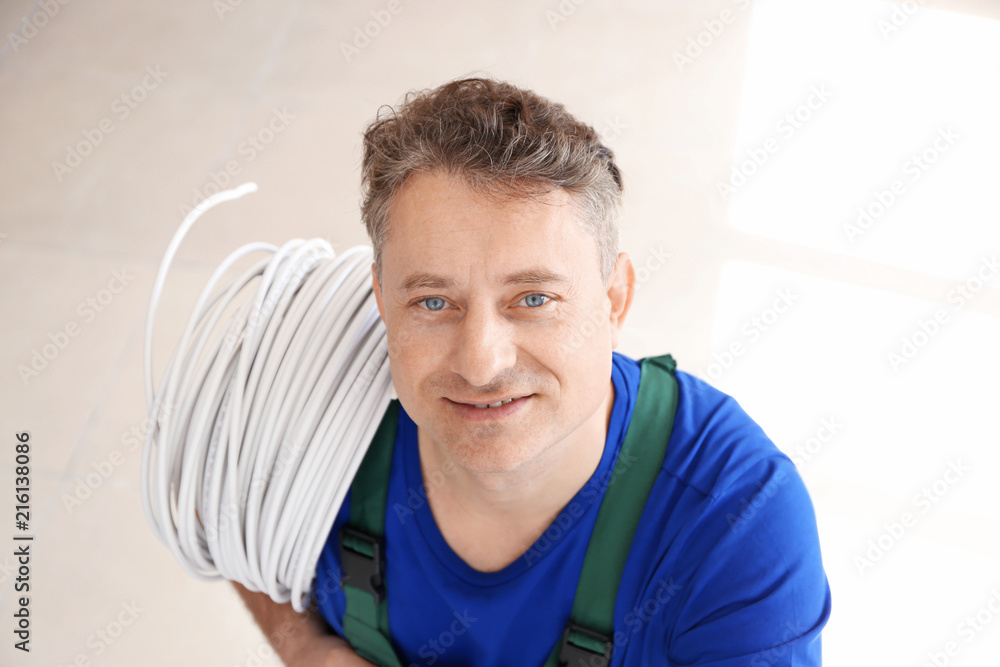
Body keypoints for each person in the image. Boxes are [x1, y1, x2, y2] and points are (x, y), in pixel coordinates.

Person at [232, 77, 832, 666]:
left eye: (534, 299)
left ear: (614, 299)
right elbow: (219, 509)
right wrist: (305, 646)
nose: (481, 362)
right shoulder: (311, 415)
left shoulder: (737, 521)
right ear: (383, 302)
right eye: (434, 303)